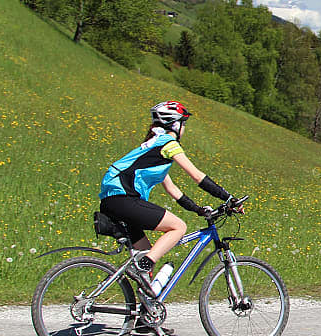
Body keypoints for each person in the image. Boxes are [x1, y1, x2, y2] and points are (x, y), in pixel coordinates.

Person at [99, 101, 241, 304]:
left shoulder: (154, 148)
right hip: (123, 198)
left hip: (113, 201)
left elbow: (173, 190)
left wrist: (199, 210)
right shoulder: (168, 144)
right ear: (175, 125)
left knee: (146, 253)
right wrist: (228, 198)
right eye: (184, 124)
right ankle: (142, 266)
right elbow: (197, 176)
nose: (185, 129)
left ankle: (144, 315)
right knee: (178, 227)